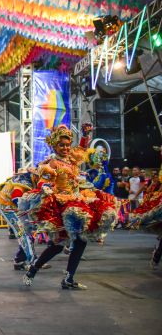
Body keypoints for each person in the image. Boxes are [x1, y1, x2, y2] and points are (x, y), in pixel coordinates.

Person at [20, 124, 118, 289]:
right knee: (58, 245)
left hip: (77, 200)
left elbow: (80, 148)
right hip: (62, 205)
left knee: (81, 241)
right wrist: (45, 186)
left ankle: (68, 278)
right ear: (54, 145)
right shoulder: (53, 162)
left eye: (67, 145)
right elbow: (44, 178)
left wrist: (85, 135)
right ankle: (33, 270)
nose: (66, 148)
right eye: (61, 145)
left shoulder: (71, 160)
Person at [0, 168, 39, 271]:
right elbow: (16, 197)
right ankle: (34, 261)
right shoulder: (23, 181)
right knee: (23, 233)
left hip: (17, 207)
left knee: (28, 232)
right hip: (8, 207)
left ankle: (19, 261)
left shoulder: (32, 180)